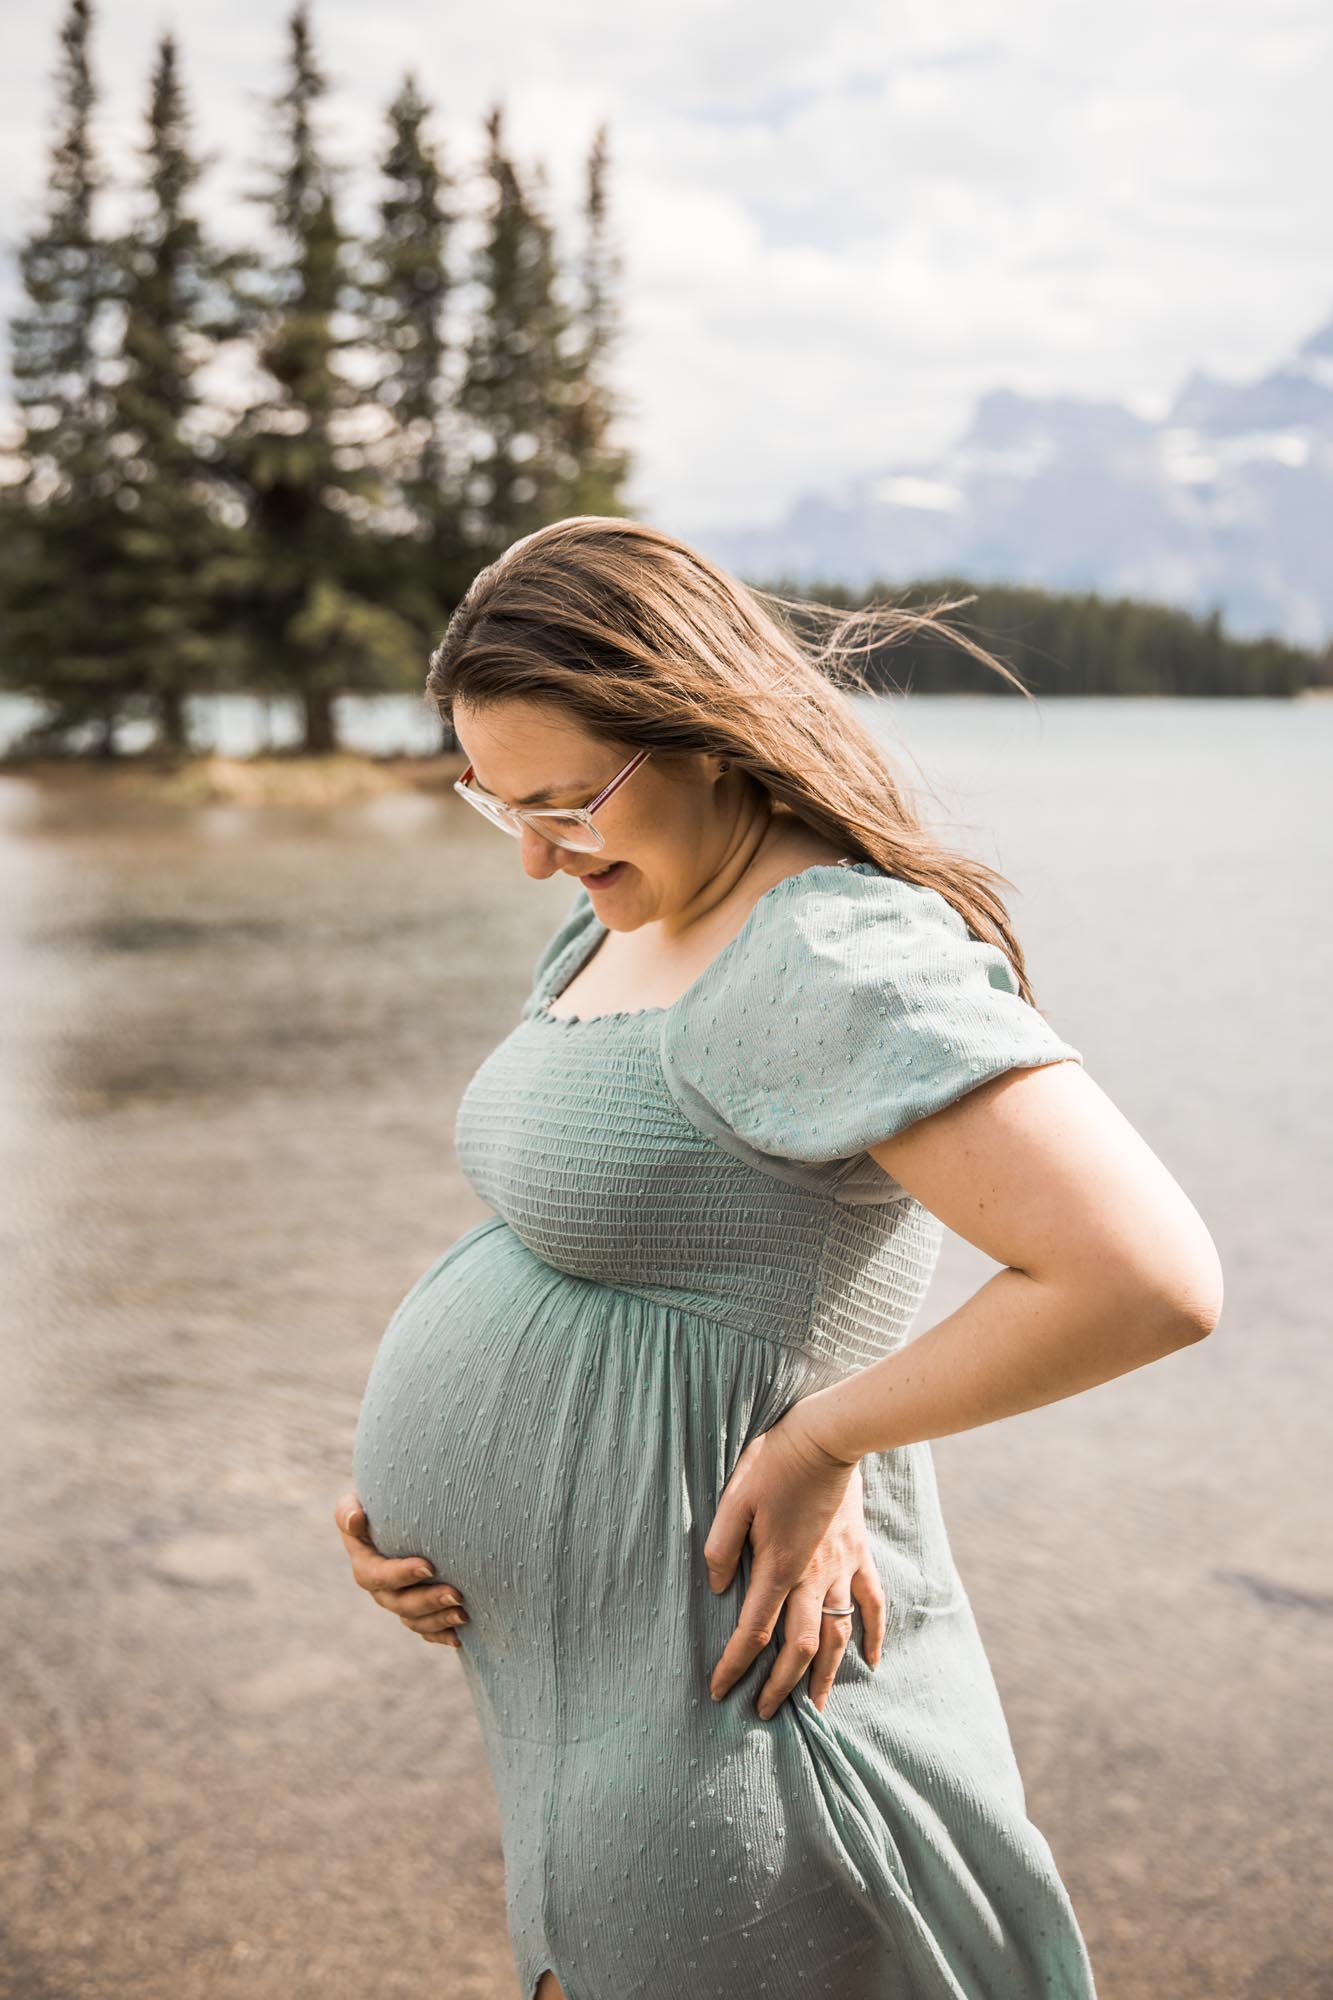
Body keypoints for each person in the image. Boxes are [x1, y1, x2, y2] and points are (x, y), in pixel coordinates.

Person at [333, 516, 1223, 2000]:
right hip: (585, 1681)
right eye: (497, 808)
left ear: (702, 732)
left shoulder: (826, 954)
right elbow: (606, 1232)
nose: (538, 859)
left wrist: (826, 1443)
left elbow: (1143, 1277)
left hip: (733, 1694)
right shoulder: (625, 912)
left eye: (564, 803)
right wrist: (411, 1503)